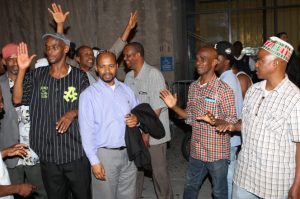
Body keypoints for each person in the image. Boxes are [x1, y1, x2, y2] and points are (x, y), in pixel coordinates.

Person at [200, 37, 300, 199]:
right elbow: (246, 123)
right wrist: (230, 125)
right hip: (245, 176)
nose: (256, 64)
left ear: (276, 63)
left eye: (260, 59)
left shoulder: (294, 98)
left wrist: (297, 184)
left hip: (274, 184)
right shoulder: (254, 90)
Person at [12, 35, 90, 199]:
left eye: (54, 47)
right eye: (47, 47)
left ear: (66, 49)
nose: (49, 50)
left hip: (75, 153)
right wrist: (22, 70)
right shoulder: (37, 75)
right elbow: (17, 99)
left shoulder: (79, 76)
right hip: (48, 155)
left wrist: (73, 113)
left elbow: (89, 106)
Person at [160, 46, 237, 199]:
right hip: (196, 150)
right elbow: (189, 116)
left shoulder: (224, 90)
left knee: (219, 192)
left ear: (215, 62)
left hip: (217, 153)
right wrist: (174, 107)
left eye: (203, 59)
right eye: (197, 59)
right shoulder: (194, 87)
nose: (198, 62)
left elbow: (231, 121)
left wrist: (214, 121)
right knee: (190, 187)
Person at [78, 50, 139, 199]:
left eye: (111, 66)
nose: (107, 71)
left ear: (117, 66)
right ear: (97, 68)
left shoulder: (126, 90)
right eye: (103, 66)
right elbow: (86, 132)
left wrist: (137, 121)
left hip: (129, 153)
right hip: (105, 156)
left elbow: (138, 114)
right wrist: (94, 161)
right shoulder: (88, 95)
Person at [123, 42, 173, 199]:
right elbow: (126, 104)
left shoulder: (153, 74)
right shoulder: (129, 77)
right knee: (135, 172)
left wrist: (145, 133)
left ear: (138, 55)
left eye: (128, 55)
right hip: (135, 133)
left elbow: (155, 111)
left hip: (154, 136)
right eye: (124, 56)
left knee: (159, 174)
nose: (125, 59)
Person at [48, 3, 138, 84]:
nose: (91, 56)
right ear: (78, 58)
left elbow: (115, 50)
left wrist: (128, 28)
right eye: (86, 54)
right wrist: (60, 25)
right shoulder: (71, 67)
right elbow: (59, 53)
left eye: (91, 54)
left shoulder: (97, 69)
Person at [0, 43, 47, 199]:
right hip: (9, 151)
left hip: (34, 149)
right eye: (10, 59)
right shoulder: (0, 84)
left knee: (42, 193)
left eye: (17, 58)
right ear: (3, 62)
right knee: (15, 194)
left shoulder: (33, 81)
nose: (14, 63)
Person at [214, 41, 243, 199]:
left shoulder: (226, 81)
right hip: (231, 137)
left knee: (226, 177)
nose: (214, 61)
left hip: (228, 138)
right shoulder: (229, 78)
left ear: (225, 60)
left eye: (216, 57)